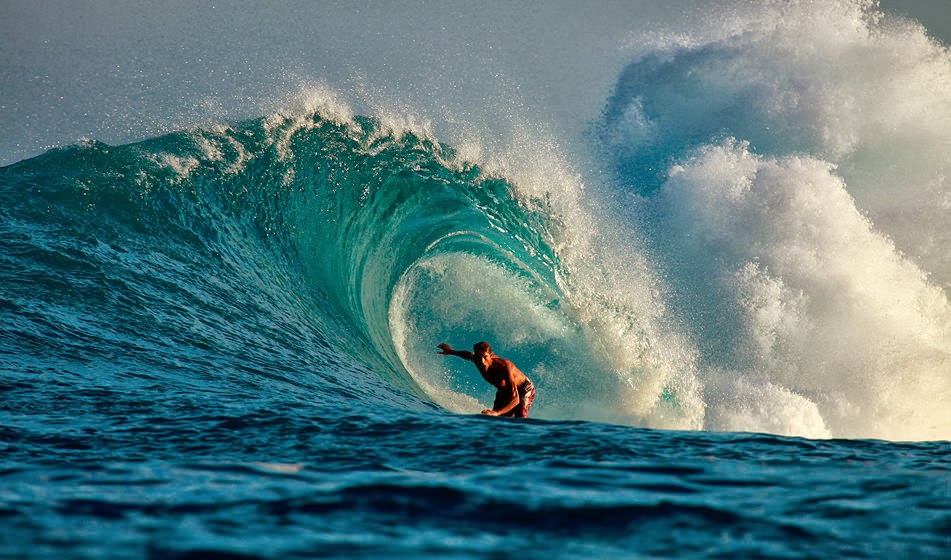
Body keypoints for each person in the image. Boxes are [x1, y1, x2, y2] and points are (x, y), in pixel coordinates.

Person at [437, 341, 536, 418]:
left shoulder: (505, 366)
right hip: (504, 390)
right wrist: (451, 351)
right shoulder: (477, 360)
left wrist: (497, 412)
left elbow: (515, 398)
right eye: (479, 358)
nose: (483, 362)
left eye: (485, 357)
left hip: (524, 388)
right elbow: (467, 355)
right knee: (498, 419)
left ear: (491, 355)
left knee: (520, 416)